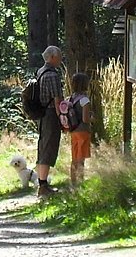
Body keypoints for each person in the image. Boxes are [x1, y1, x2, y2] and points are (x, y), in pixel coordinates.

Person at [34, 46, 64, 196]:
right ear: (52, 57)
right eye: (59, 57)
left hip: (42, 114)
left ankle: (42, 182)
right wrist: (62, 117)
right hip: (51, 114)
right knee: (49, 148)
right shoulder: (52, 75)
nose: (61, 59)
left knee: (43, 146)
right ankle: (43, 186)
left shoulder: (40, 72)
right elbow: (57, 99)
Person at [67, 73, 93, 188]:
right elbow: (85, 119)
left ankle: (73, 182)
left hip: (73, 131)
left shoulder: (71, 98)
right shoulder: (85, 100)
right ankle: (81, 183)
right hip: (83, 131)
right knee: (81, 159)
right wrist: (92, 118)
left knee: (74, 158)